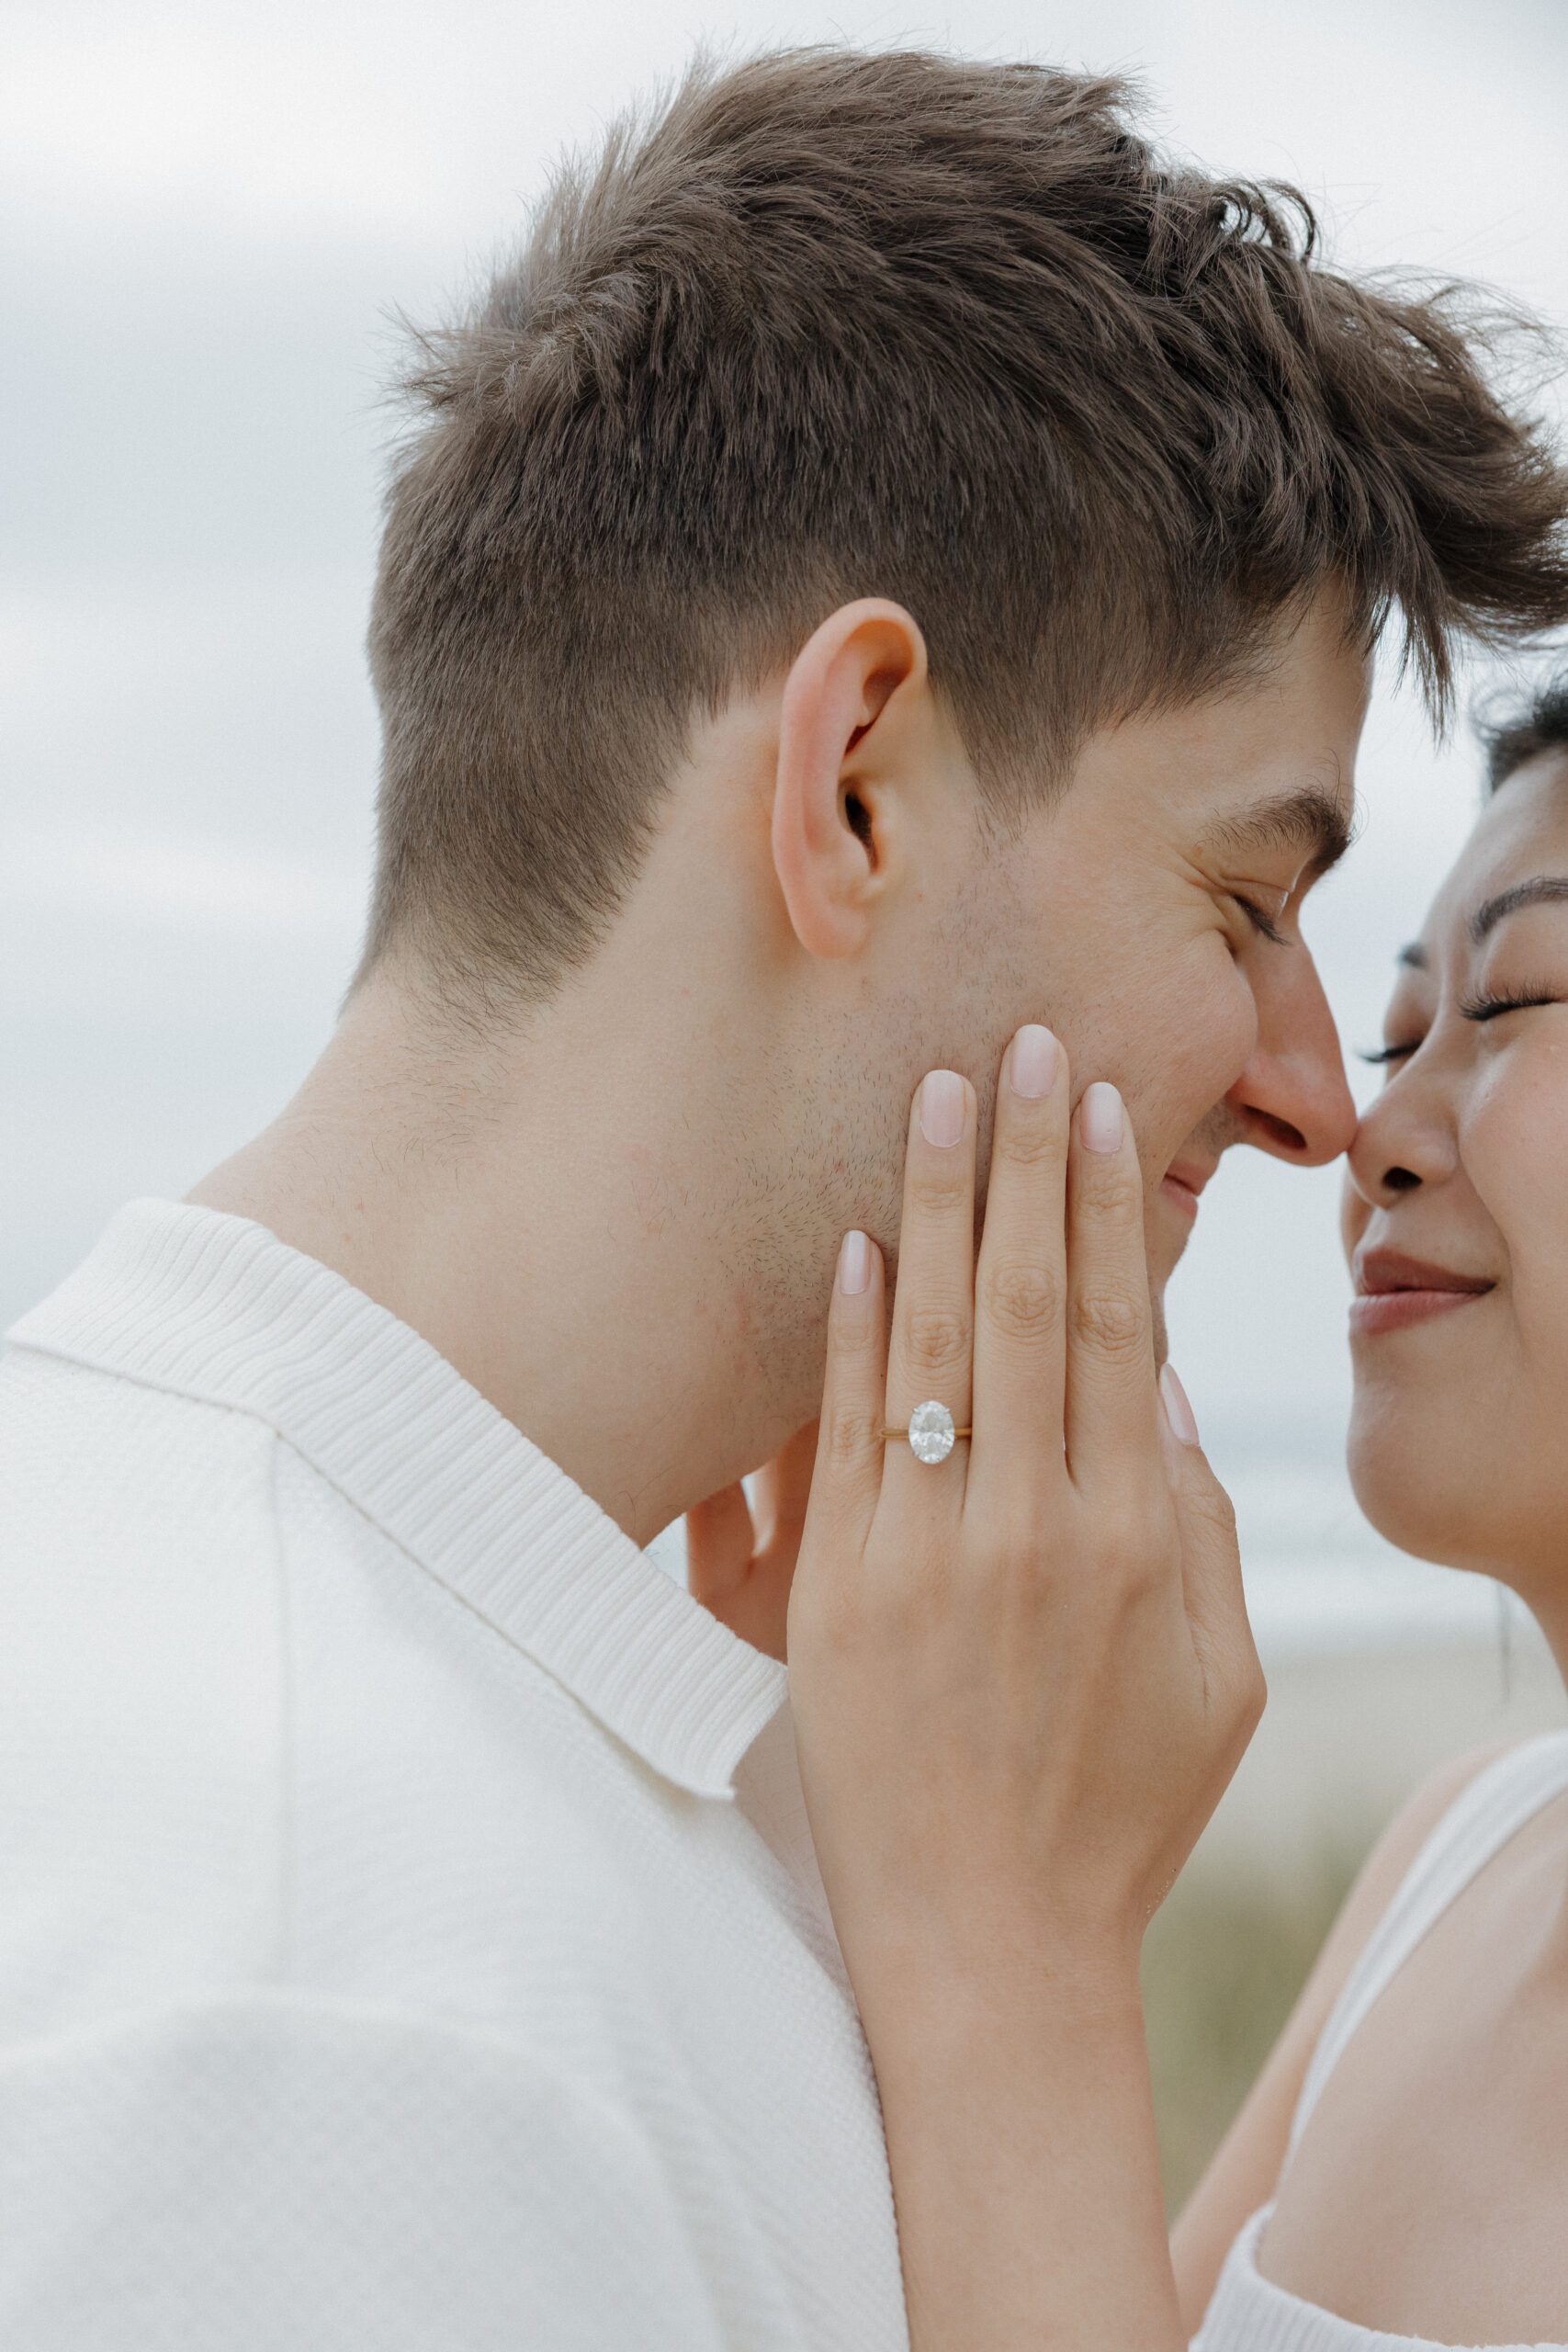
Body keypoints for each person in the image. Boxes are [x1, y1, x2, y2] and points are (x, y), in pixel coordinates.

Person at [1, 44, 1565, 2348]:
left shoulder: (456, 1760)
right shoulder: (343, 2025)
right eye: (1246, 902)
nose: (1317, 1098)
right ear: (849, 789)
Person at [765, 673, 1568, 2348]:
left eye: (1519, 1001)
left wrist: (1032, 1949)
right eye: (1398, 1032)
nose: (1364, 1133)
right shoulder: (1457, 1856)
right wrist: (820, 1825)